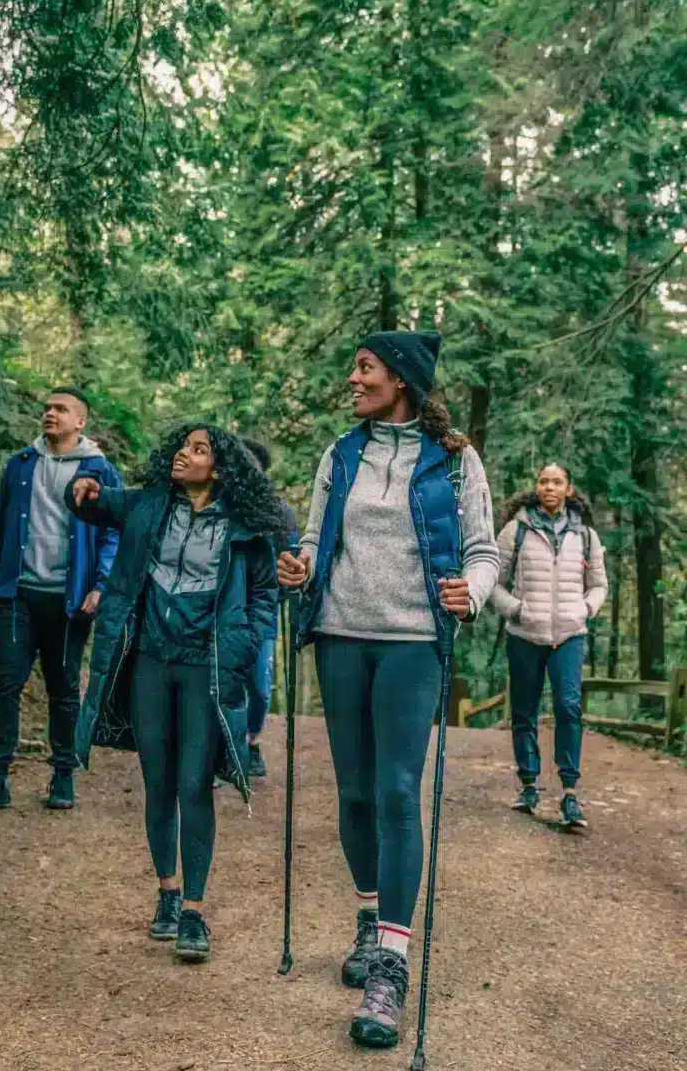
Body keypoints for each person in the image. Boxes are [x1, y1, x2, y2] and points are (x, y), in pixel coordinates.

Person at [278, 330, 499, 1050]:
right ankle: (369, 916)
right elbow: (316, 539)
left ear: (400, 378)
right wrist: (300, 565)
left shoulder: (455, 459)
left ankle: (392, 966)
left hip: (413, 641)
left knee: (401, 792)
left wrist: (477, 589)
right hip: (342, 637)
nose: (353, 377)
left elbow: (482, 550)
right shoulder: (342, 454)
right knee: (357, 795)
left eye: (364, 367)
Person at [67, 425, 279, 963]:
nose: (185, 454)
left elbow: (262, 594)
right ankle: (167, 892)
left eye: (199, 449)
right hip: (150, 663)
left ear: (222, 467)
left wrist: (246, 642)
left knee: (194, 785)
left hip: (205, 666)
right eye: (183, 445)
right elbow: (98, 504)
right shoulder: (150, 504)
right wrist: (85, 483)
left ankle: (195, 911)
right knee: (158, 781)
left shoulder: (247, 525)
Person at [0, 388, 122, 813]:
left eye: (60, 409)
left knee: (63, 688)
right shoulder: (21, 465)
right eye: (47, 408)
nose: (50, 413)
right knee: (5, 684)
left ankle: (63, 776)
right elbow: (1, 519)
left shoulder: (100, 469)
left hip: (70, 600)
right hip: (19, 595)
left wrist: (101, 584)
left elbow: (113, 532)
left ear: (80, 421)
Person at [490, 463, 608, 829]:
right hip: (525, 636)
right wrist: (516, 610)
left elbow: (600, 585)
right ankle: (529, 787)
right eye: (543, 481)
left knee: (568, 707)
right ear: (536, 487)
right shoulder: (516, 531)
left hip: (569, 636)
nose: (549, 487)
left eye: (557, 482)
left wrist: (584, 609)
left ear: (569, 489)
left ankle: (570, 793)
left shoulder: (586, 535)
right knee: (524, 710)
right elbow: (493, 581)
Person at [240, 437, 299, 778]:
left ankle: (250, 740)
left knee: (259, 688)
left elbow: (291, 551)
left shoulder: (277, 511)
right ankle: (223, 750)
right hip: (219, 609)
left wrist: (290, 586)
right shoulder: (214, 504)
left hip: (263, 609)